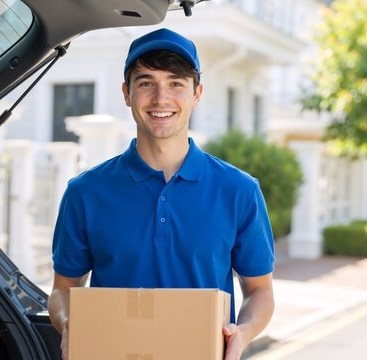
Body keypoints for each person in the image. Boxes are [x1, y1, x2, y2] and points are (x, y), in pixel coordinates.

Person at [48, 28, 275, 360]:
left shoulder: (239, 191)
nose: (160, 99)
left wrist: (244, 331)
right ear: (127, 93)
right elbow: (63, 289)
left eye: (176, 83)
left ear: (197, 94)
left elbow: (260, 290)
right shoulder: (85, 193)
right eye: (146, 83)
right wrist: (70, 325)